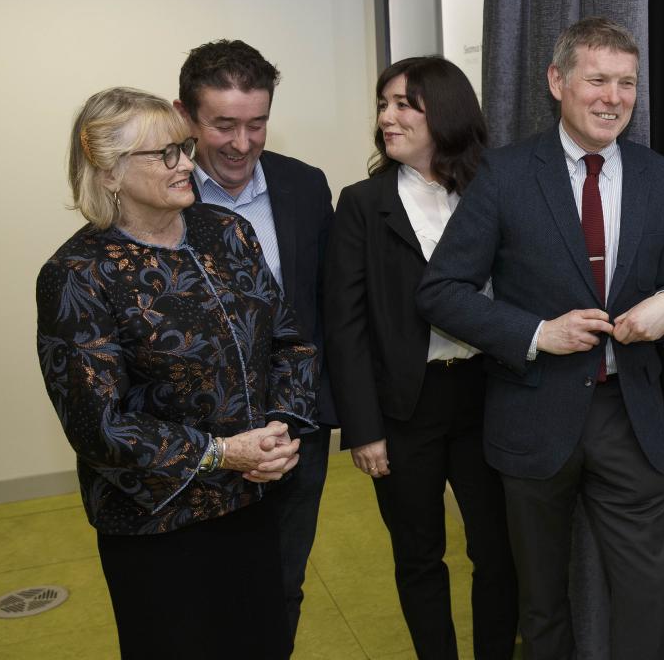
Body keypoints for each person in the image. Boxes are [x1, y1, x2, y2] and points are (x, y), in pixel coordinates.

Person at [417, 17, 664, 659]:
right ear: (557, 82)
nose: (613, 97)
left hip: (632, 418)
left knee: (647, 597)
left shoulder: (661, 177)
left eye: (626, 82)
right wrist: (537, 332)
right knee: (541, 605)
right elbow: (440, 291)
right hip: (534, 414)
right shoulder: (507, 175)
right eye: (597, 79)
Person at [36, 87, 317, 659]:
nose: (188, 163)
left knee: (263, 642)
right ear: (109, 171)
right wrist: (223, 453)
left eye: (184, 147)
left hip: (251, 501)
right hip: (156, 524)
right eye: (166, 154)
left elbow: (287, 342)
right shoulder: (77, 274)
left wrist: (279, 430)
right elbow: (101, 427)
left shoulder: (227, 233)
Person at [324, 56, 518, 659]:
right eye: (384, 104)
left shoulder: (496, 187)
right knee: (418, 555)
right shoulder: (362, 203)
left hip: (491, 395)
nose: (388, 116)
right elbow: (345, 325)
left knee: (498, 551)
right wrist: (364, 429)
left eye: (404, 103)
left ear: (446, 111)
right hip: (406, 405)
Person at [174, 39, 335, 641]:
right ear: (185, 117)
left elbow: (324, 311)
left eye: (257, 124)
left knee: (281, 586)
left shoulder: (306, 187)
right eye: (223, 125)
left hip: (293, 432)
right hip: (200, 442)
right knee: (201, 598)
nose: (242, 144)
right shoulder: (163, 199)